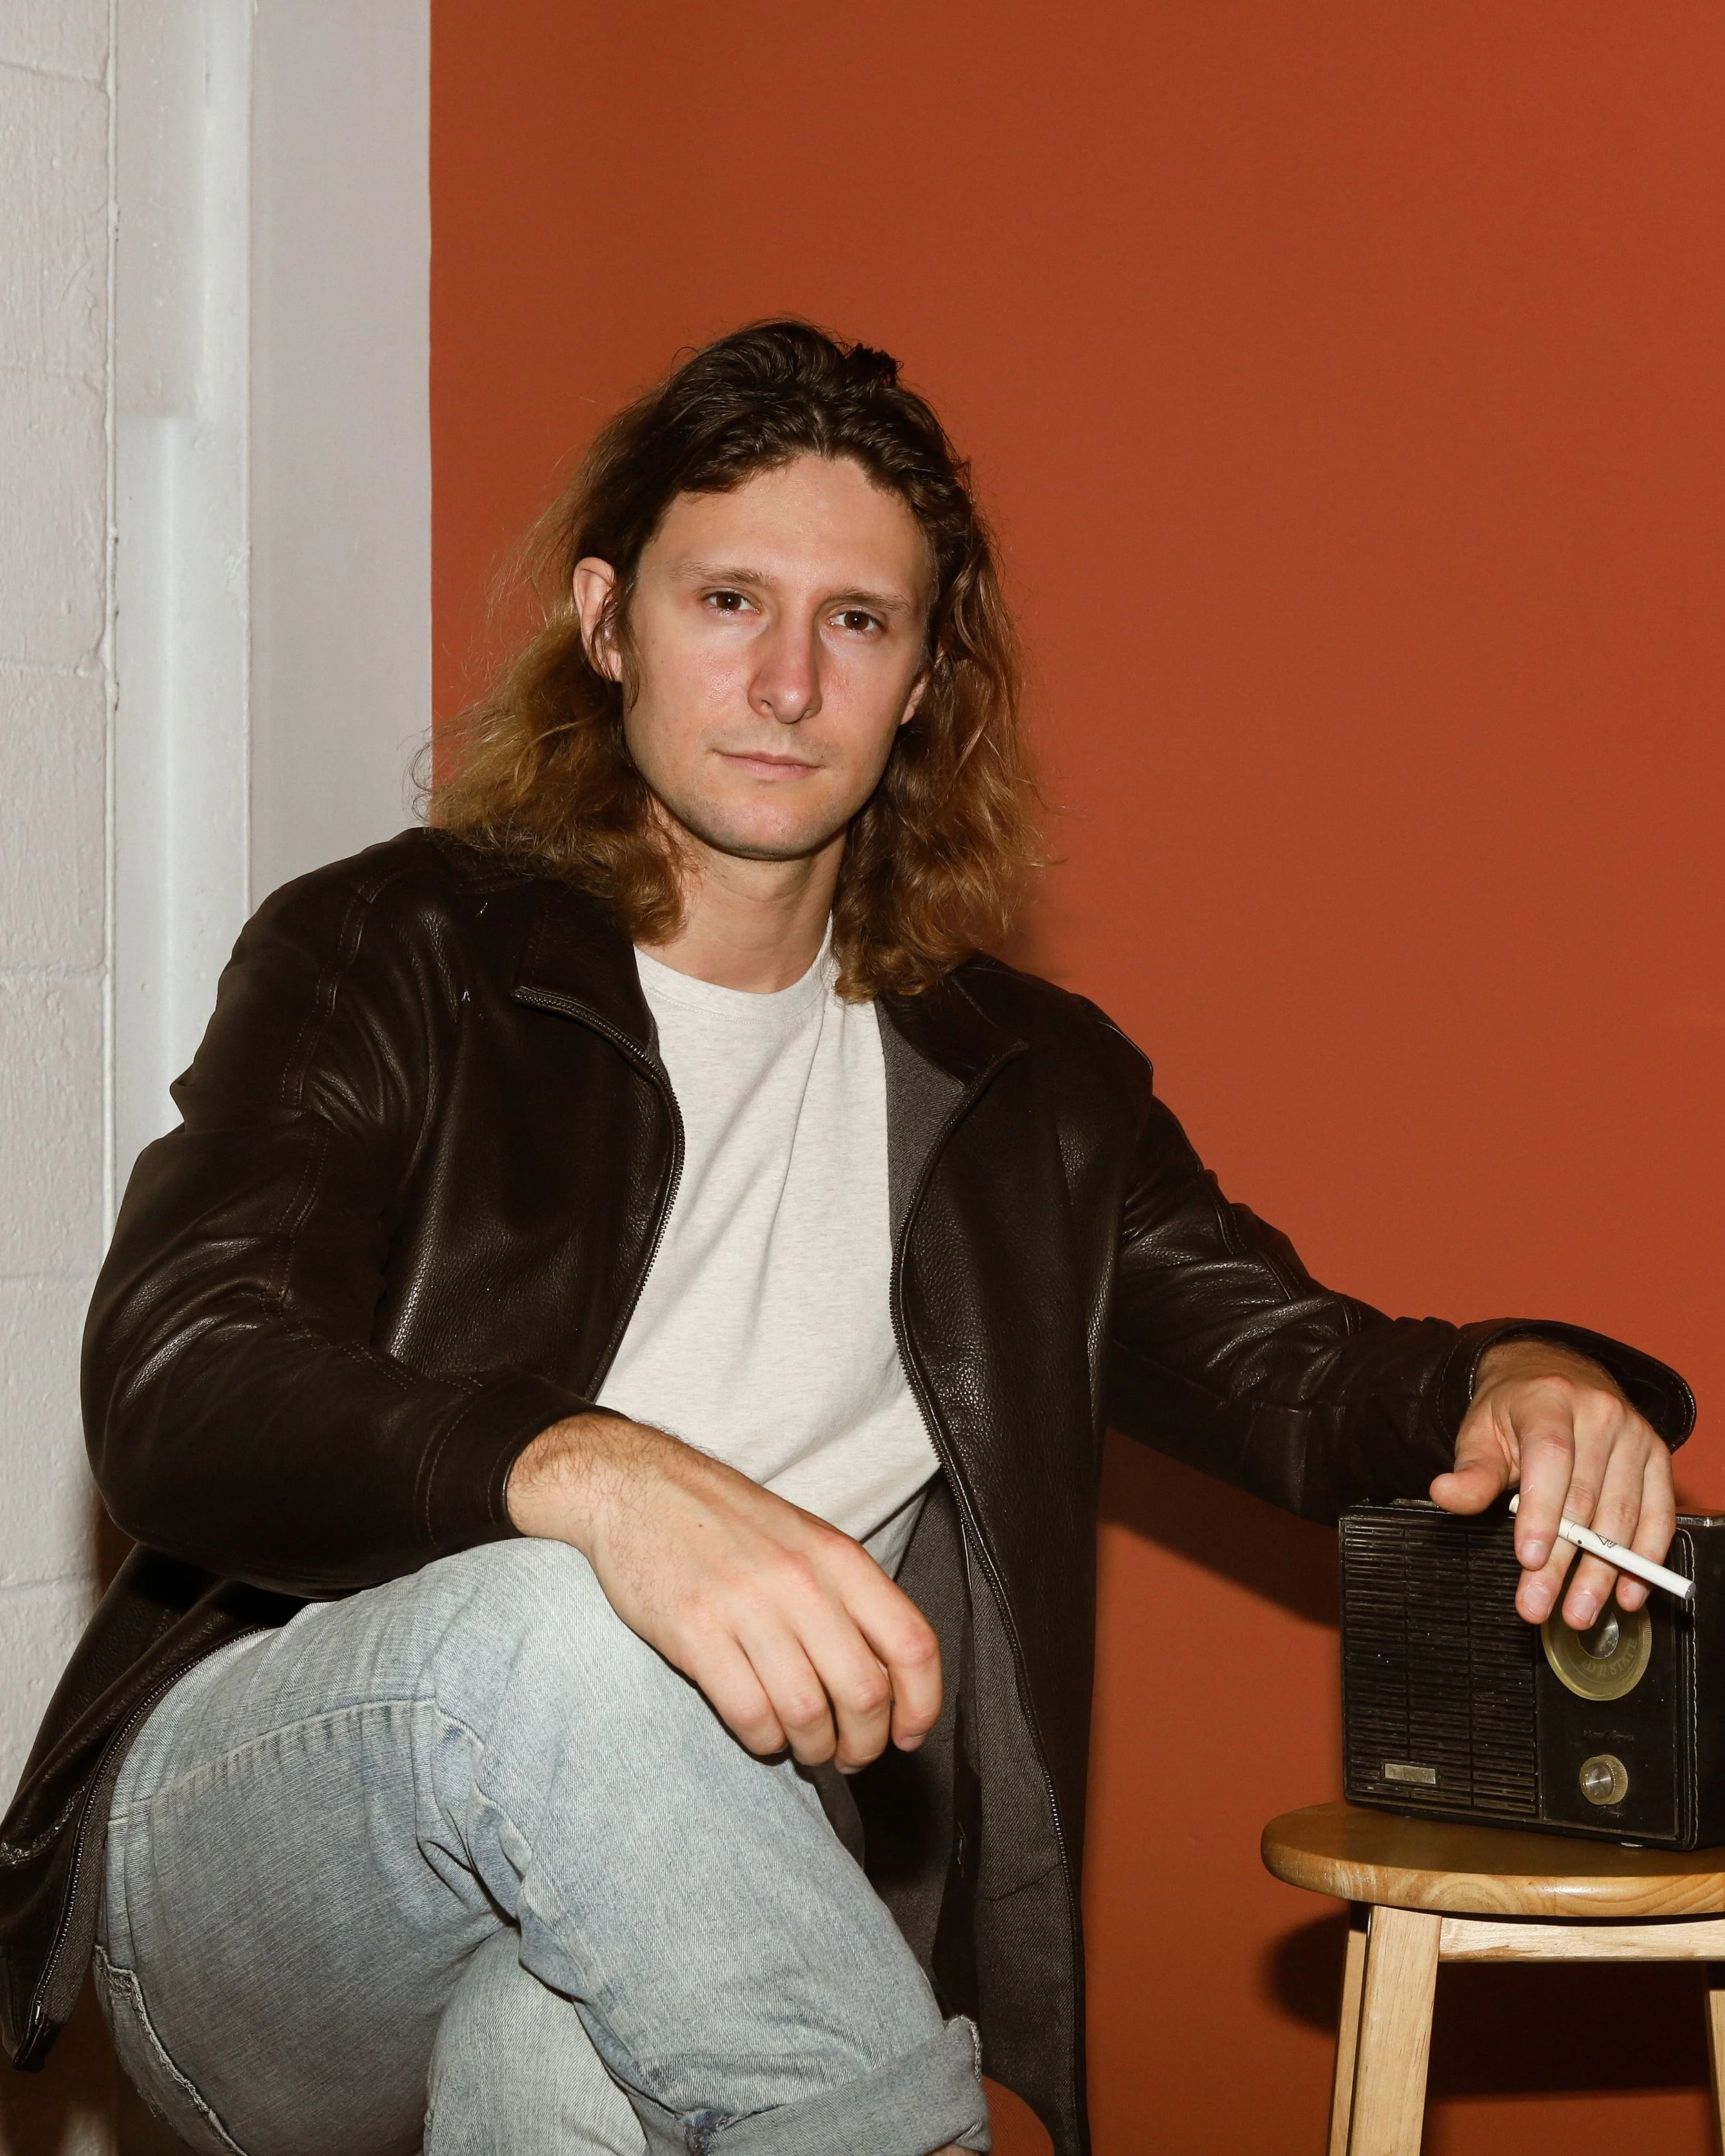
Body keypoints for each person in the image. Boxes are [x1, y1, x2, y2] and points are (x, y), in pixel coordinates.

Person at [0, 321, 1692, 2156]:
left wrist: (1517, 1375)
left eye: (857, 623)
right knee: (558, 1611)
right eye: (726, 597)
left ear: (922, 678)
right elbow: (176, 1379)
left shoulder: (1030, 1095)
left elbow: (1299, 1374)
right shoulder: (393, 951)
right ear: (606, 620)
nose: (787, 679)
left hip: (679, 1891)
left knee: (569, 2067)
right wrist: (588, 1470)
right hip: (275, 1849)